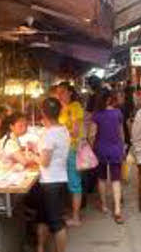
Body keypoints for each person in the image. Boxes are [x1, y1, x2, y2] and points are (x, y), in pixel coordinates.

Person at [26, 97, 70, 252]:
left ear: (43, 113)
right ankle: (40, 248)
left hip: (51, 183)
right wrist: (38, 147)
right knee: (43, 218)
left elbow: (44, 162)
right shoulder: (63, 129)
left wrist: (32, 156)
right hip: (59, 179)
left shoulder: (50, 134)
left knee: (57, 223)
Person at [91, 88, 125, 224]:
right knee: (116, 180)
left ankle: (104, 205)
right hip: (116, 149)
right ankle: (117, 209)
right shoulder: (118, 113)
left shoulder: (97, 115)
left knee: (102, 178)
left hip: (101, 149)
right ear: (109, 99)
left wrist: (91, 146)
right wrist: (122, 148)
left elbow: (92, 134)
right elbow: (121, 133)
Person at [57, 81, 85, 226]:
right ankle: (72, 212)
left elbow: (75, 131)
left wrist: (58, 130)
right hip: (63, 150)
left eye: (62, 91)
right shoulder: (62, 109)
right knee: (69, 183)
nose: (59, 95)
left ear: (70, 92)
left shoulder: (75, 107)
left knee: (74, 183)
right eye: (58, 92)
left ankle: (76, 217)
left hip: (72, 149)